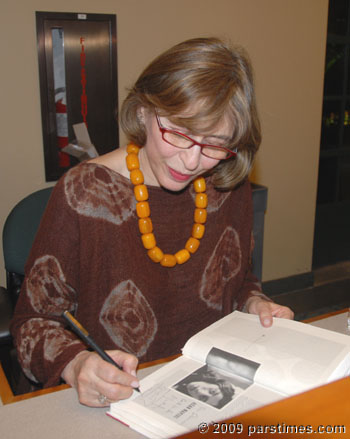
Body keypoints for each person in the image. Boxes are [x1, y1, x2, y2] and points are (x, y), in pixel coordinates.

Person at [10, 37, 293, 408]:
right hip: (117, 400)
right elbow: (32, 325)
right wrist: (76, 363)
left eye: (215, 144)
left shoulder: (227, 184)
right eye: (178, 133)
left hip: (210, 391)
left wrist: (255, 304)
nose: (192, 161)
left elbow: (238, 283)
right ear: (144, 110)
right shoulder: (82, 193)